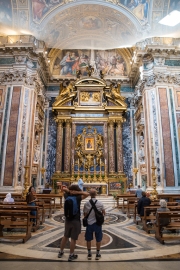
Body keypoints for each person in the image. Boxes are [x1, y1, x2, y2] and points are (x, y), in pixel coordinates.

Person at [58, 185, 89, 261]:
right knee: (73, 239)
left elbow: (63, 189)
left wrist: (69, 191)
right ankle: (71, 255)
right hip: (75, 220)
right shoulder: (78, 198)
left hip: (68, 219)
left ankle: (61, 252)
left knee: (65, 236)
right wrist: (78, 192)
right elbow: (87, 194)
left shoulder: (66, 196)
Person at [83, 189, 105, 260]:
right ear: (96, 194)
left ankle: (89, 253)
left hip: (89, 223)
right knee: (98, 239)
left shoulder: (86, 204)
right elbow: (103, 213)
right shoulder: (100, 203)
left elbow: (85, 214)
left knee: (88, 239)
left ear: (89, 195)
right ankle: (97, 253)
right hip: (98, 224)